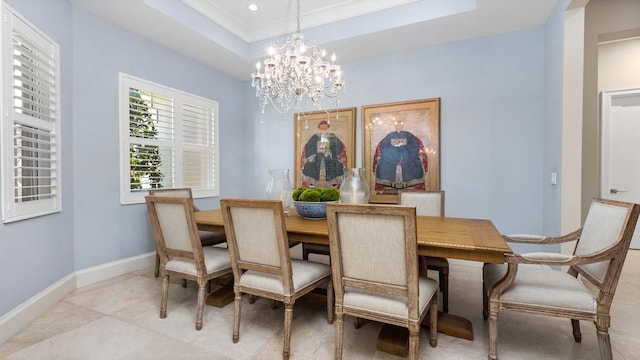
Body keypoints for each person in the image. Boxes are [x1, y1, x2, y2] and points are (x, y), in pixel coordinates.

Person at [372, 120, 428, 191]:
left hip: (386, 179)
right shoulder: (415, 139)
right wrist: (425, 169)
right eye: (397, 123)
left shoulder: (385, 140)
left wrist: (375, 170)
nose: (398, 125)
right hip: (413, 179)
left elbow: (377, 156)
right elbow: (423, 156)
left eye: (400, 123)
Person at [300, 120, 347, 188]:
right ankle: (312, 184)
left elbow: (338, 146)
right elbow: (309, 147)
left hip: (330, 156)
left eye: (325, 127)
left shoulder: (332, 136)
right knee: (310, 165)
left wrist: (331, 151)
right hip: (316, 157)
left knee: (336, 164)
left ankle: (333, 184)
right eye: (322, 127)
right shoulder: (315, 137)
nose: (323, 128)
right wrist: (313, 153)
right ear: (319, 127)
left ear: (327, 127)